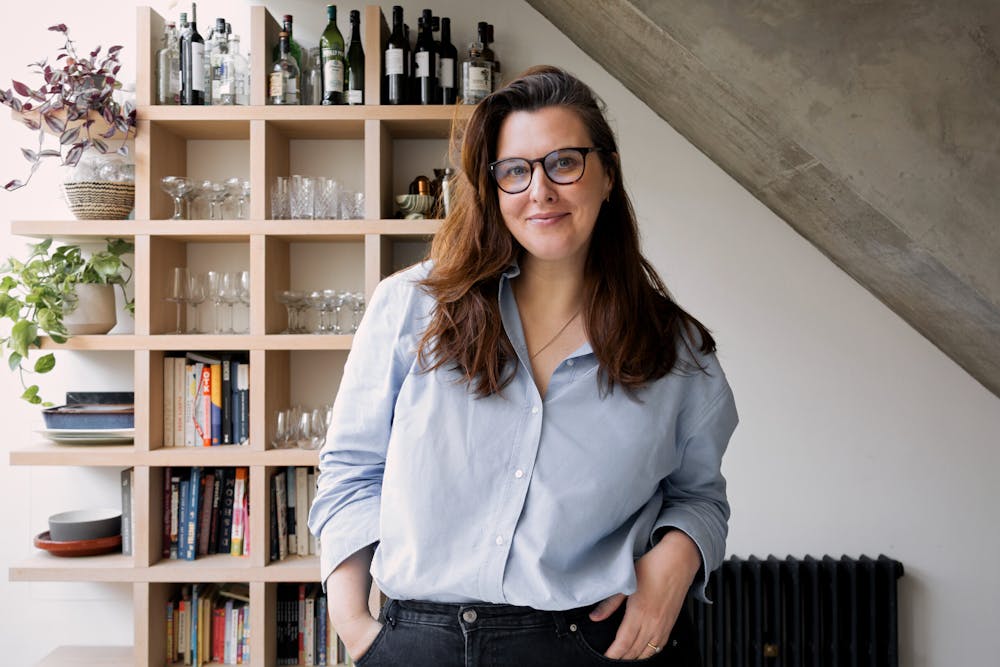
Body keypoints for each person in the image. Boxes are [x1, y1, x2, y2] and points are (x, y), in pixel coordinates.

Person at [308, 65, 738, 666]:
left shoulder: (676, 349)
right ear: (493, 188)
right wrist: (354, 623)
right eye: (515, 170)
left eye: (564, 162)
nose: (540, 190)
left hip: (591, 645)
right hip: (419, 642)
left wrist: (678, 556)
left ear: (608, 174)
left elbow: (699, 496)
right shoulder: (413, 308)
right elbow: (352, 469)